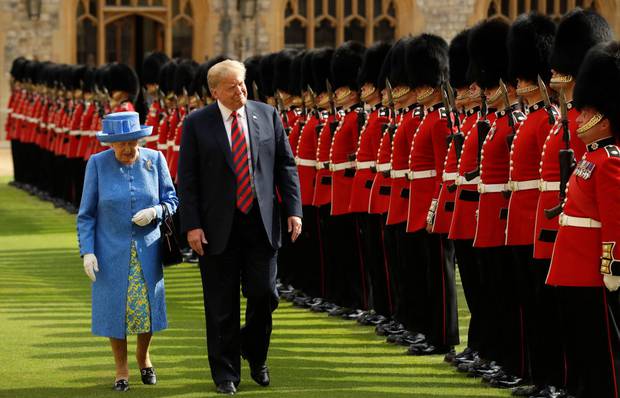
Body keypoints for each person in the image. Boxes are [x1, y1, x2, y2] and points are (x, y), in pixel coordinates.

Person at [177, 59, 302, 395]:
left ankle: (254, 350)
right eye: (232, 87)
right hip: (217, 226)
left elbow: (285, 166)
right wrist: (191, 226)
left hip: (261, 223)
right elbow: (186, 180)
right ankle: (226, 374)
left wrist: (294, 211)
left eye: (243, 84)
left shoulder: (267, 114)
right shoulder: (196, 123)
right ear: (215, 90)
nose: (240, 92)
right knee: (221, 304)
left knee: (264, 294)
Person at [77, 111, 178, 392]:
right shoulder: (97, 164)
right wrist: (88, 251)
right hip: (110, 251)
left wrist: (156, 210)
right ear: (110, 144)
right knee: (116, 310)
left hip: (148, 249)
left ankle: (143, 357)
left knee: (146, 309)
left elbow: (172, 198)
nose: (128, 148)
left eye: (133, 141)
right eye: (121, 143)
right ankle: (121, 367)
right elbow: (86, 214)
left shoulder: (155, 159)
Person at [546, 40, 620, 398]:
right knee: (580, 340)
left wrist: (611, 266)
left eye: (588, 112)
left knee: (602, 347)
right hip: (572, 263)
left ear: (605, 118)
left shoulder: (610, 160)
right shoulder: (591, 158)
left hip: (592, 267)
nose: (580, 117)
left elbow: (614, 219)